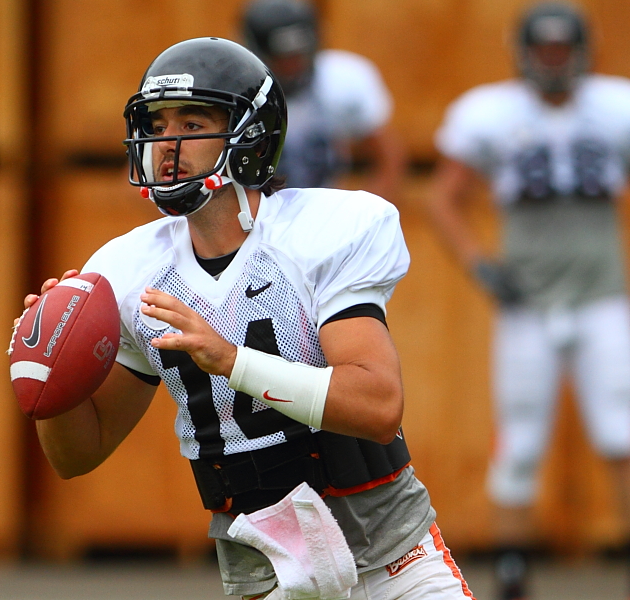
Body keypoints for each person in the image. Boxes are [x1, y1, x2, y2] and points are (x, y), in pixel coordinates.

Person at [26, 37, 473, 600]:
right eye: (159, 126)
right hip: (266, 575)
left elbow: (378, 405)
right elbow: (77, 454)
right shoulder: (127, 269)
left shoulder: (327, 230)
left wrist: (233, 361)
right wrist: (50, 373)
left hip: (392, 557)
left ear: (250, 134)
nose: (168, 144)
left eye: (192, 123)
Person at [427, 2, 630, 599]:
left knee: (622, 432)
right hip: (529, 304)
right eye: (544, 51)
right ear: (523, 54)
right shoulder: (493, 113)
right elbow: (444, 198)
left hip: (601, 297)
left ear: (583, 53)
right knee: (520, 438)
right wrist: (481, 267)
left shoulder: (613, 107)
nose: (554, 62)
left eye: (562, 50)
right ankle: (513, 568)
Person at [240, 0, 406, 202]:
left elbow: (388, 157)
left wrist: (359, 212)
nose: (292, 65)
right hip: (255, 214)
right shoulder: (235, 90)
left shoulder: (343, 82)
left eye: (298, 54)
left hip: (324, 211)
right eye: (281, 57)